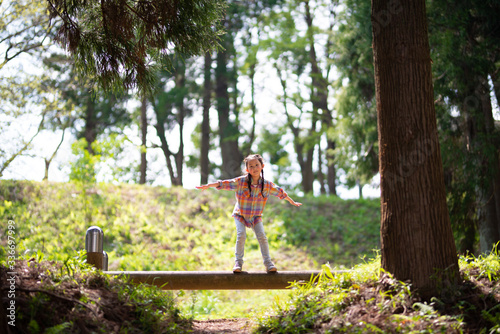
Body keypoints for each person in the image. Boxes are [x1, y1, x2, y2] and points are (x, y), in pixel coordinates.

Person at [196, 154, 302, 273]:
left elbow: (281, 192)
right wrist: (209, 185)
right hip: (240, 214)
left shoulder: (267, 185)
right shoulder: (241, 182)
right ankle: (238, 263)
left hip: (256, 216)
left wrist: (292, 202)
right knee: (241, 234)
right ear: (247, 169)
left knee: (262, 236)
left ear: (262, 166)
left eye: (257, 165)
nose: (254, 168)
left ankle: (268, 263)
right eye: (251, 166)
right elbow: (225, 183)